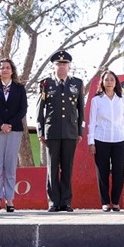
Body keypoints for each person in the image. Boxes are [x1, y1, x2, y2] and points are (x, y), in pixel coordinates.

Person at [38, 50, 85, 212]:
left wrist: (80, 131)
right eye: (59, 64)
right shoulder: (45, 83)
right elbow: (40, 109)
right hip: (52, 131)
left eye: (64, 64)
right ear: (54, 66)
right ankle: (53, 202)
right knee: (52, 167)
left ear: (69, 67)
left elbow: (81, 109)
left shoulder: (77, 83)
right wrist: (40, 131)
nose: (62, 67)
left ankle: (66, 202)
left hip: (71, 132)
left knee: (67, 167)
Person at [0, 58, 28, 213]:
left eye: (7, 68)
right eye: (2, 68)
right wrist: (1, 124)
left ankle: (9, 198)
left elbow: (22, 109)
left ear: (12, 70)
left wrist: (9, 124)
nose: (5, 70)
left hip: (14, 130)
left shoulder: (19, 88)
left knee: (10, 166)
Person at [87, 70, 124, 212]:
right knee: (103, 172)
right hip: (101, 139)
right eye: (107, 80)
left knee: (119, 171)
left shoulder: (122, 99)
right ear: (102, 82)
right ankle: (105, 202)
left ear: (116, 82)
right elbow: (92, 122)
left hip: (120, 139)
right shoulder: (96, 100)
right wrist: (91, 142)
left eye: (112, 80)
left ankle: (116, 201)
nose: (109, 82)